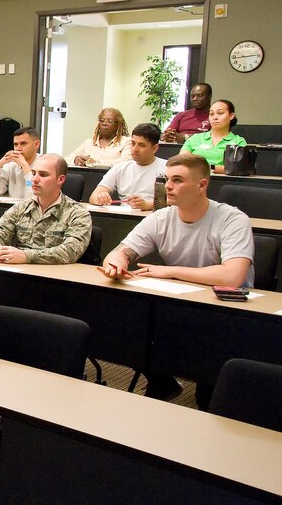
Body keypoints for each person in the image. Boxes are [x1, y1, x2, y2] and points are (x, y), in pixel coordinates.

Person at [101, 152, 253, 408]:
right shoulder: (161, 217)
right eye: (167, 179)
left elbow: (233, 275)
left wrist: (171, 271)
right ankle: (163, 381)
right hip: (181, 302)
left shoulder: (231, 219)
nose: (168, 186)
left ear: (201, 185)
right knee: (129, 319)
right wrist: (117, 262)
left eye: (178, 180)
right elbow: (120, 252)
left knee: (209, 397)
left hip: (227, 311)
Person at [0, 154, 91, 264]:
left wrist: (25, 256)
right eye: (33, 173)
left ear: (60, 179)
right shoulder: (20, 208)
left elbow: (69, 252)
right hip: (20, 271)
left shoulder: (77, 213)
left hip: (54, 273)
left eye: (43, 175)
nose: (35, 179)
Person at [89, 123, 167, 210]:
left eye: (142, 145)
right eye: (133, 143)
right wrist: (100, 198)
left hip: (155, 215)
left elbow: (176, 201)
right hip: (125, 215)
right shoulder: (120, 168)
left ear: (154, 148)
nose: (135, 149)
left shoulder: (167, 168)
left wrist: (148, 205)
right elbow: (93, 197)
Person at [181, 99, 246, 173]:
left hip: (223, 179)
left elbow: (237, 168)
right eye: (211, 114)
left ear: (231, 116)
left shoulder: (238, 141)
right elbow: (182, 160)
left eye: (220, 113)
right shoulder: (195, 138)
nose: (215, 117)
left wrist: (208, 168)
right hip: (194, 177)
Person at [0, 126, 40, 198]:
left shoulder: (45, 164)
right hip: (14, 205)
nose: (18, 148)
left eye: (23, 143)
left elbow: (33, 196)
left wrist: (25, 167)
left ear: (36, 144)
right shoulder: (10, 165)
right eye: (16, 144)